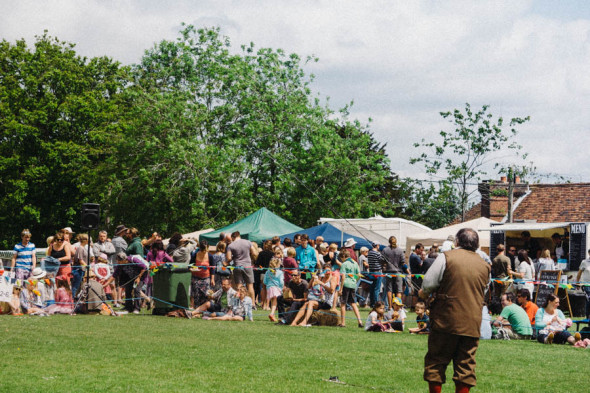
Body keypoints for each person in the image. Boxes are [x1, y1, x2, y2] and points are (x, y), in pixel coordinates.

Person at [419, 228, 490, 393]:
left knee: (436, 362)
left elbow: (428, 284)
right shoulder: (485, 265)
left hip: (446, 319)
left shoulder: (446, 257)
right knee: (466, 366)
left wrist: (423, 294)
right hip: (472, 321)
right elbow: (483, 291)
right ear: (476, 245)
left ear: (457, 242)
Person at [225, 231, 257, 302]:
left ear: (233, 237)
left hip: (237, 266)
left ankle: (240, 302)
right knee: (250, 286)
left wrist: (226, 262)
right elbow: (254, 253)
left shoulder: (231, 245)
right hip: (248, 266)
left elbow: (229, 258)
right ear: (239, 235)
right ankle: (252, 304)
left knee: (239, 286)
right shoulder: (248, 242)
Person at [339, 249, 363, 328]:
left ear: (343, 256)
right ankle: (360, 321)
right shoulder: (355, 263)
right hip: (353, 285)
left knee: (343, 304)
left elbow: (343, 277)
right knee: (353, 303)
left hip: (345, 285)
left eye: (341, 258)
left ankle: (343, 323)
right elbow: (359, 275)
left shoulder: (344, 264)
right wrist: (355, 281)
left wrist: (341, 289)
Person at [381, 236, 406, 308]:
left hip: (389, 272)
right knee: (399, 290)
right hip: (398, 272)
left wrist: (385, 265)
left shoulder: (385, 250)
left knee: (389, 290)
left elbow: (382, 260)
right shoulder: (400, 250)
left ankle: (390, 306)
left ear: (389, 242)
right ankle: (398, 306)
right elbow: (403, 262)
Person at [189, 239, 212, 309]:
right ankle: (196, 309)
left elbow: (213, 268)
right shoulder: (195, 254)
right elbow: (190, 265)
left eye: (206, 249)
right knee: (196, 294)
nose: (205, 251)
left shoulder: (210, 256)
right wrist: (192, 269)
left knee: (206, 294)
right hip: (196, 277)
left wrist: (213, 279)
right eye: (204, 249)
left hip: (206, 277)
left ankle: (205, 309)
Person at [72, 233, 94, 299]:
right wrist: (88, 267)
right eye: (88, 240)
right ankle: (72, 300)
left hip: (81, 269)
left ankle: (75, 299)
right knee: (75, 286)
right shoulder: (80, 248)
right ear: (85, 240)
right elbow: (80, 260)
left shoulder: (83, 248)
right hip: (78, 269)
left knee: (79, 286)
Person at [264, 257, 284, 322]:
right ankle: (272, 314)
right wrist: (282, 287)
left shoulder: (267, 272)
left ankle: (273, 315)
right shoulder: (280, 272)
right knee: (275, 303)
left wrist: (268, 285)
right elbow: (281, 282)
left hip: (269, 288)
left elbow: (264, 281)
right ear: (278, 265)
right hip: (276, 288)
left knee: (273, 302)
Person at [367, 242, 384, 307]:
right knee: (377, 289)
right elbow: (382, 260)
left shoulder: (369, 253)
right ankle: (376, 304)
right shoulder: (377, 253)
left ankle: (371, 303)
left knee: (372, 289)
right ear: (377, 245)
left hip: (371, 272)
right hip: (377, 272)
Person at [576, 249, 590, 319]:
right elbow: (579, 273)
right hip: (587, 285)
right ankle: (587, 316)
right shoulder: (584, 262)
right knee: (589, 300)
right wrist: (577, 282)